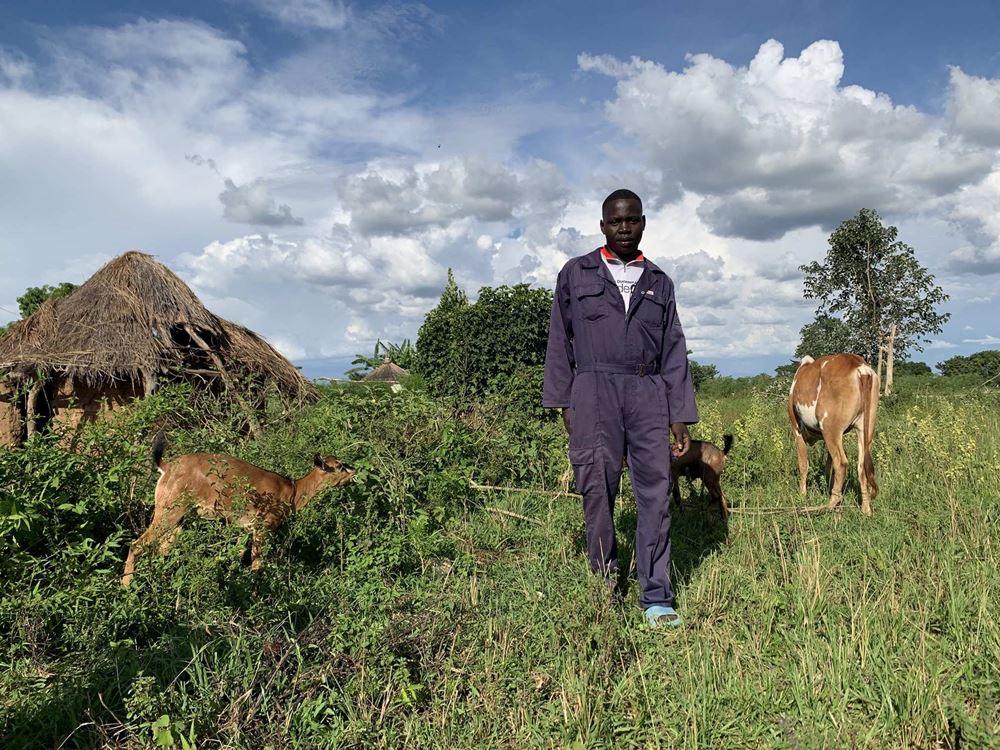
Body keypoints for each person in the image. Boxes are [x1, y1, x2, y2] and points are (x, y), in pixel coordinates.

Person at [542, 189, 698, 627]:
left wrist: (679, 413)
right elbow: (560, 340)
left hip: (649, 391)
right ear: (603, 226)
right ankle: (604, 582)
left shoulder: (659, 282)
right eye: (615, 221)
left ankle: (656, 596)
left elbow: (673, 349)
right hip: (592, 389)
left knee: (655, 492)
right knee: (596, 488)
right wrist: (563, 400)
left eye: (631, 220)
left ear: (644, 223)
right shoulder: (576, 274)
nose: (624, 228)